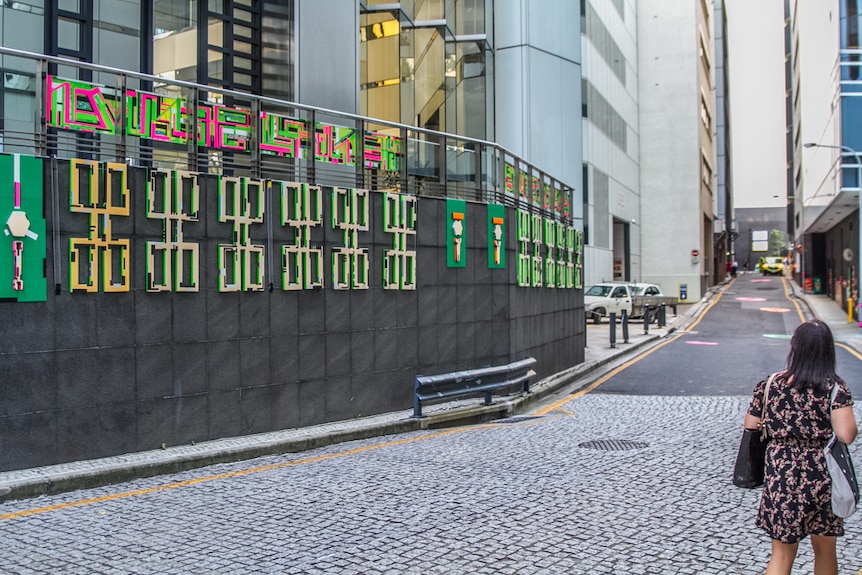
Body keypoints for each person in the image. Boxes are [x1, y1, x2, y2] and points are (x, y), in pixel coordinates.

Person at [743, 320, 857, 575]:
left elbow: (750, 424)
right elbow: (846, 435)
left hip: (781, 473)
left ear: (794, 347)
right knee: (825, 549)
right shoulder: (834, 388)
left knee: (782, 554)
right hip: (821, 475)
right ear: (828, 350)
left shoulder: (771, 384)